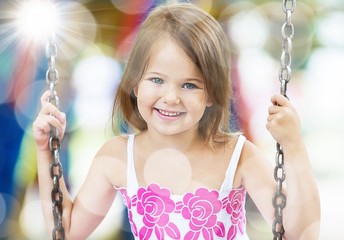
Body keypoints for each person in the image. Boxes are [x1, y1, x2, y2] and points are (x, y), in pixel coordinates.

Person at [32, 3, 320, 240]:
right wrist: (46, 151)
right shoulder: (118, 157)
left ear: (211, 94)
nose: (171, 97)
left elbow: (300, 234)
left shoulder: (237, 156)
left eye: (190, 85)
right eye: (157, 79)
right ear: (134, 84)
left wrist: (293, 146)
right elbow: (66, 231)